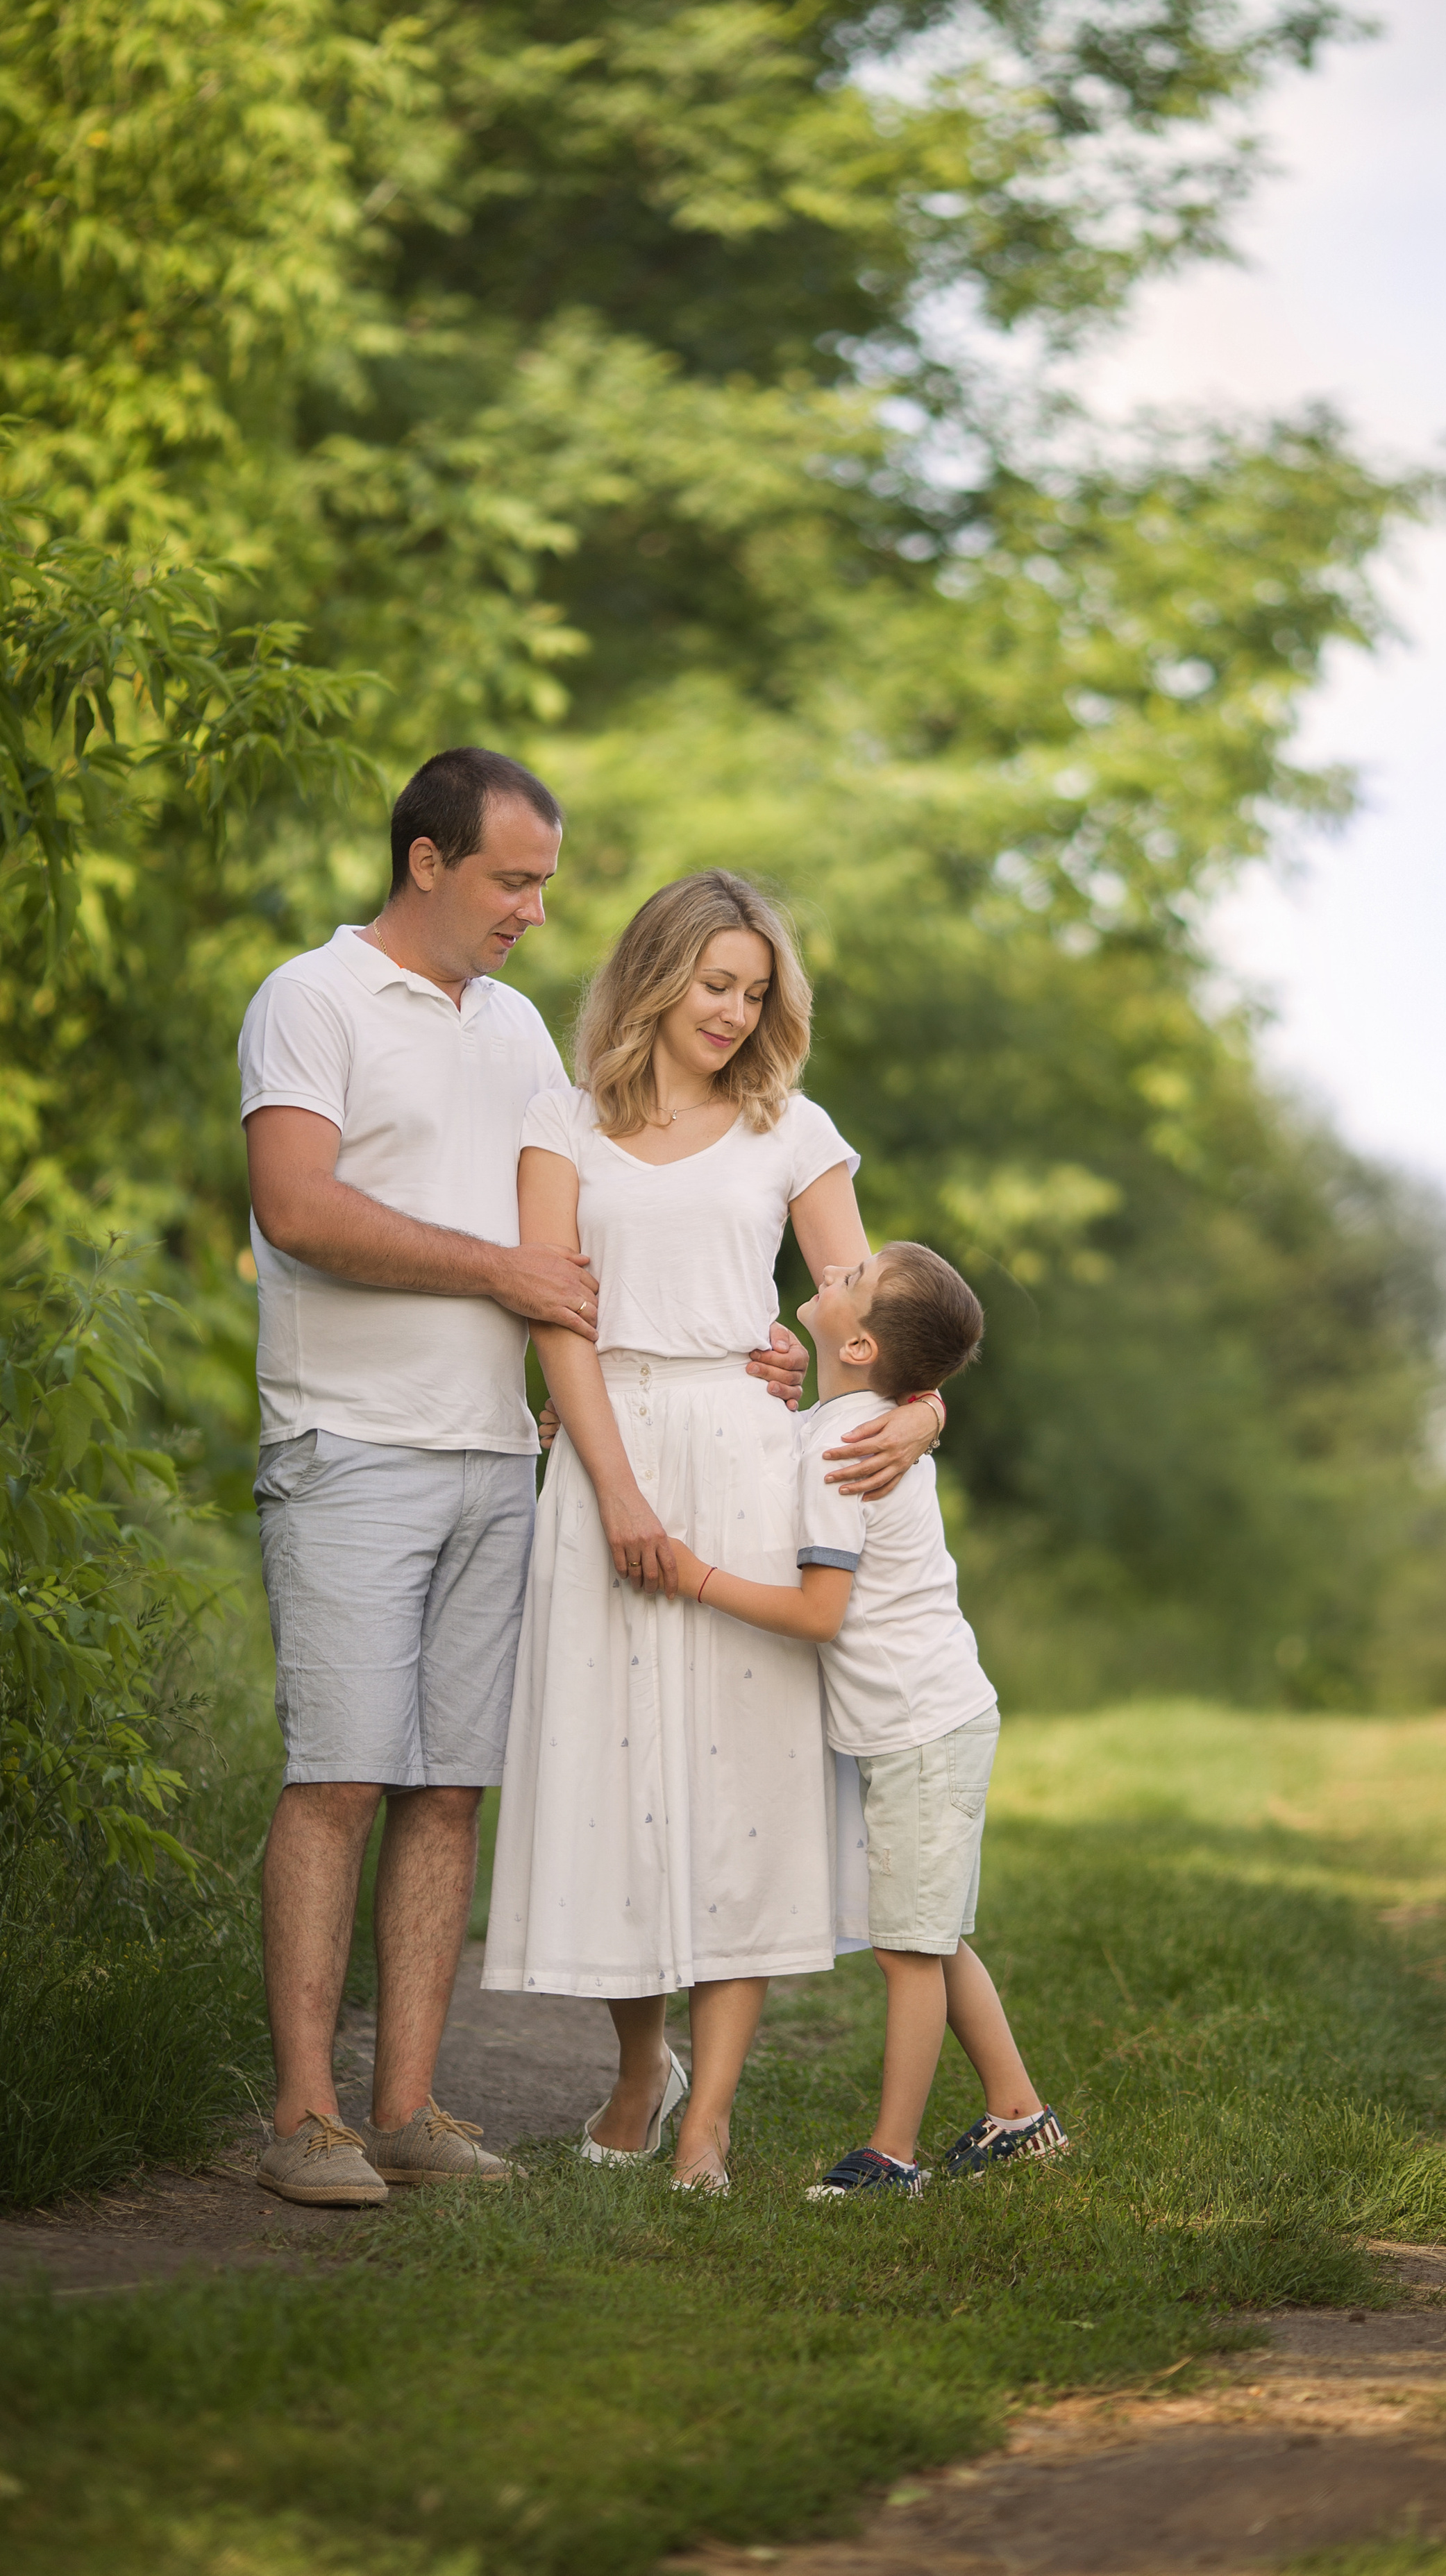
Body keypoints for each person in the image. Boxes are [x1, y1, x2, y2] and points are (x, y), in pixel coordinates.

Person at [238, 757, 836, 2207]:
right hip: (350, 1438)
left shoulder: (515, 1037)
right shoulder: (308, 1000)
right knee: (338, 1775)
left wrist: (763, 1343)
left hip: (506, 1453)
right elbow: (294, 1208)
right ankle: (304, 2114)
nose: (534, 908)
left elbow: (639, 1216)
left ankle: (409, 2109)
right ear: (427, 861)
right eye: (512, 879)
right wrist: (506, 1276)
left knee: (448, 1792)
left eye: (546, 882)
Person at [482, 872, 944, 2192]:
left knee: (742, 1791)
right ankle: (642, 2068)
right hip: (600, 1455)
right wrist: (619, 1490)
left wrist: (910, 1413)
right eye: (715, 985)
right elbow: (556, 1318)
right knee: (610, 1790)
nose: (736, 1013)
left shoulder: (791, 1129)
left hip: (743, 1462)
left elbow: (877, 1323)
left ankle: (712, 2119)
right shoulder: (558, 1120)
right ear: (654, 975)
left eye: (757, 992)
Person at [670, 1240, 1068, 2198]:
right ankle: (1018, 2112)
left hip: (922, 1725)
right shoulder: (853, 1420)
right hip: (922, 1719)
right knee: (933, 1933)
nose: (837, 1267)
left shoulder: (851, 1447)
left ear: (859, 1350)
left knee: (909, 1948)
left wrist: (697, 1579)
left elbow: (818, 1613)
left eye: (855, 1280)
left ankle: (891, 2156)